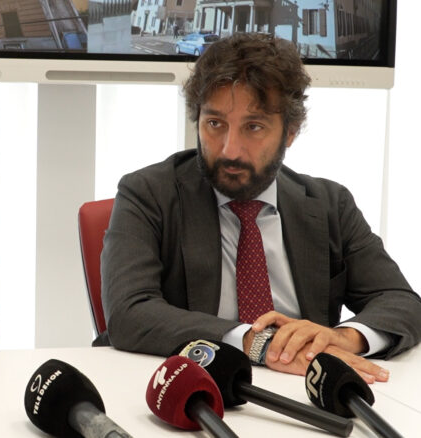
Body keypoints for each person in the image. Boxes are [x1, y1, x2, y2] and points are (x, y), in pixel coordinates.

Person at [101, 33, 421, 383]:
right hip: (190, 384)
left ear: (290, 132)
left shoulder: (330, 204)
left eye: (253, 127)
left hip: (304, 385)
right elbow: (129, 312)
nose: (230, 150)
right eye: (214, 124)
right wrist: (255, 343)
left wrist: (344, 337)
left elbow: (401, 301)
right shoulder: (148, 193)